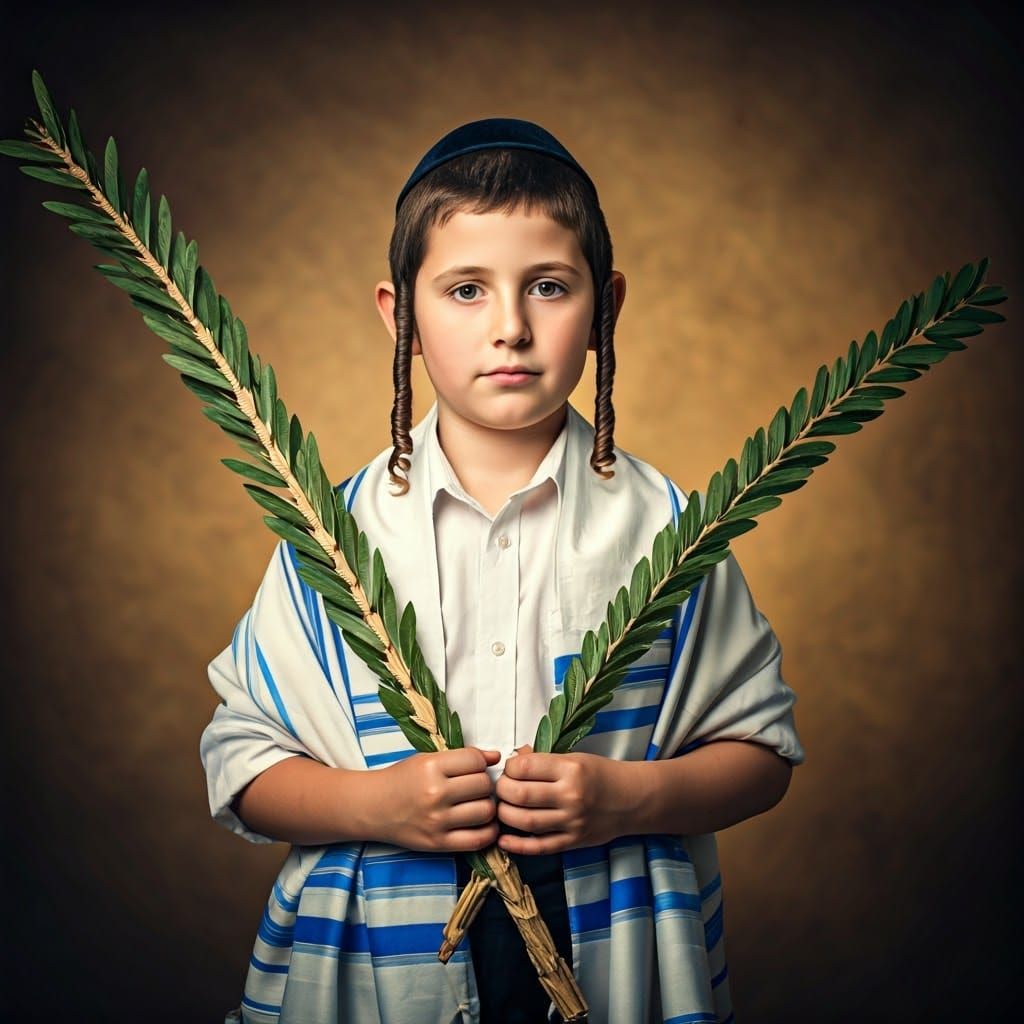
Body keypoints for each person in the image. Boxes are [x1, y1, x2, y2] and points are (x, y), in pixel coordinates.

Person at [200, 118, 805, 1024]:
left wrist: (628, 797)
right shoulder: (331, 533)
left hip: (609, 942)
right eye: (467, 290)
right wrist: (376, 805)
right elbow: (241, 763)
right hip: (379, 963)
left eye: (550, 287)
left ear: (607, 306)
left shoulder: (671, 530)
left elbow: (762, 756)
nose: (511, 328)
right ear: (399, 314)